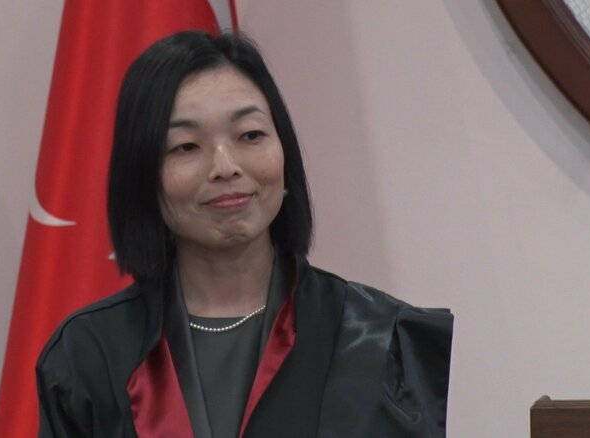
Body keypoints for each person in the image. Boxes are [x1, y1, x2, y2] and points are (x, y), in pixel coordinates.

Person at [36, 30, 453, 438]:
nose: (225, 166)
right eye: (186, 146)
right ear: (143, 173)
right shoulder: (88, 354)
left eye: (250, 135)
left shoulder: (375, 338)